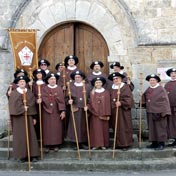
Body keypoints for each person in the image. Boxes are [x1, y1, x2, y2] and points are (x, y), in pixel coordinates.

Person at [8, 75, 39, 162]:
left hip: (28, 116)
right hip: (19, 118)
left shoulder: (29, 92)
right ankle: (21, 156)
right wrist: (22, 108)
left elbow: (32, 104)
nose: (22, 83)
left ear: (26, 83)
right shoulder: (14, 93)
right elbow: (12, 105)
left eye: (24, 82)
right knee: (20, 137)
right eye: (20, 82)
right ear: (17, 84)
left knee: (31, 135)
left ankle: (33, 155)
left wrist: (34, 117)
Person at [37, 73, 66, 152]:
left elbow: (62, 100)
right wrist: (40, 101)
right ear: (48, 80)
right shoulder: (44, 88)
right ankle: (47, 145)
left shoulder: (59, 88)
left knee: (57, 128)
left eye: (54, 79)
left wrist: (62, 111)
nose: (53, 81)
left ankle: (56, 144)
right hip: (46, 111)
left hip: (57, 111)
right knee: (47, 128)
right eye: (51, 79)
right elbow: (43, 97)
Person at [143, 74, 171, 150]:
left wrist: (164, 112)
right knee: (152, 128)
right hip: (150, 112)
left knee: (160, 128)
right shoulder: (148, 89)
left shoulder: (161, 89)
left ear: (157, 81)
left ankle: (161, 143)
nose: (152, 81)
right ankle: (154, 143)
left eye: (153, 80)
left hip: (160, 112)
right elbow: (144, 97)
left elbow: (165, 101)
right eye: (150, 80)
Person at [108, 72, 134, 151]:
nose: (115, 80)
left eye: (117, 78)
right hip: (114, 111)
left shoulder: (125, 87)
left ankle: (125, 144)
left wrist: (121, 103)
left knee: (124, 127)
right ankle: (118, 143)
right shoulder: (111, 88)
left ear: (121, 79)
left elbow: (129, 99)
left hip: (123, 112)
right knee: (116, 127)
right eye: (114, 79)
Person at [67, 70, 90, 149]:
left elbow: (90, 97)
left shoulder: (87, 86)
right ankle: (76, 142)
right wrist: (69, 101)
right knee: (75, 126)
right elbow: (66, 97)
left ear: (82, 78)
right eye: (76, 77)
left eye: (79, 77)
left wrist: (88, 106)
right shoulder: (70, 86)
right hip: (75, 108)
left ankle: (83, 142)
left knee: (84, 126)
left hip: (84, 109)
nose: (77, 78)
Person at [87, 77, 111, 150]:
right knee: (95, 130)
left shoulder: (106, 92)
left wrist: (107, 114)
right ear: (94, 84)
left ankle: (104, 144)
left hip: (104, 114)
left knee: (104, 130)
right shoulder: (92, 93)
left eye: (99, 82)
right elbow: (89, 102)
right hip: (95, 115)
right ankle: (96, 144)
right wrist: (88, 107)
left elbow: (108, 104)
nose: (98, 84)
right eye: (96, 83)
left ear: (102, 83)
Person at [32, 68, 46, 139]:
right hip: (35, 105)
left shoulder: (46, 84)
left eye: (40, 74)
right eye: (37, 74)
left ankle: (45, 135)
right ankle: (37, 135)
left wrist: (43, 99)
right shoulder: (33, 85)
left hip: (45, 105)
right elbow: (30, 95)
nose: (39, 75)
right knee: (37, 119)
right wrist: (36, 100)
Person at [165, 68, 176, 147]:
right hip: (171, 108)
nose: (173, 74)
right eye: (172, 73)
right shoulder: (167, 84)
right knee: (172, 124)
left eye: (175, 73)